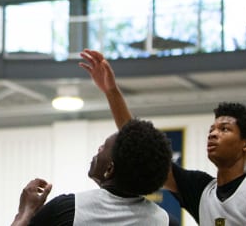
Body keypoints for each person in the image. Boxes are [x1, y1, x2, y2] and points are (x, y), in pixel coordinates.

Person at [11, 49, 174, 226]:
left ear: (110, 169)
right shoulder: (165, 221)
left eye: (103, 147)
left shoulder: (69, 210)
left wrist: (25, 213)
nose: (98, 149)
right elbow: (138, 146)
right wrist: (111, 91)